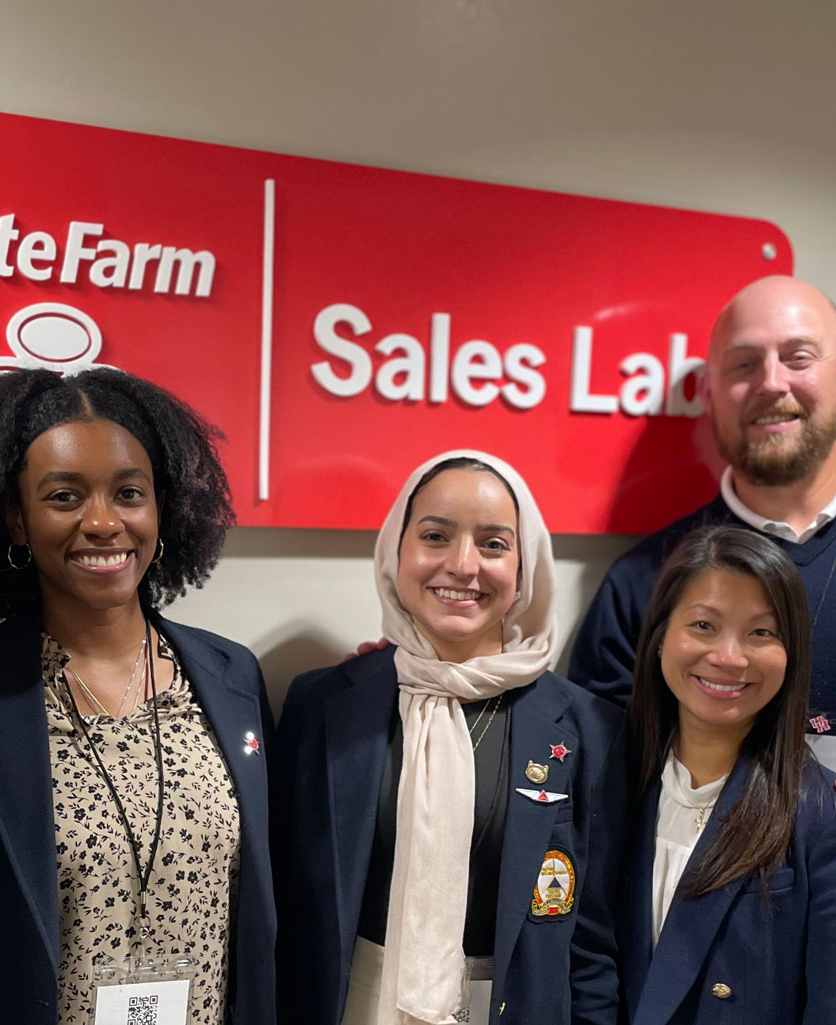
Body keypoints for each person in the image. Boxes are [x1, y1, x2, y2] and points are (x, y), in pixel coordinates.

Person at [0, 367, 275, 1025]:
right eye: (63, 496)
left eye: (129, 493)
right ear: (16, 520)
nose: (103, 522)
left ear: (162, 507)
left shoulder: (233, 679)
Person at [271, 451, 625, 1025]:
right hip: (354, 1002)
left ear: (524, 566)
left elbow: (593, 939)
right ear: (397, 550)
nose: (463, 565)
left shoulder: (590, 729)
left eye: (493, 544)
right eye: (436, 536)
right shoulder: (322, 705)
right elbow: (283, 902)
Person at [570, 276, 836, 750]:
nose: (772, 382)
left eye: (798, 357)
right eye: (744, 363)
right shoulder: (640, 586)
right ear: (709, 394)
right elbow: (600, 792)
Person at [618, 524, 836, 1024]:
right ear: (658, 638)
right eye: (703, 625)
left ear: (790, 655)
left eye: (761, 632)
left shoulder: (818, 813)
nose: (728, 658)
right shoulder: (612, 787)